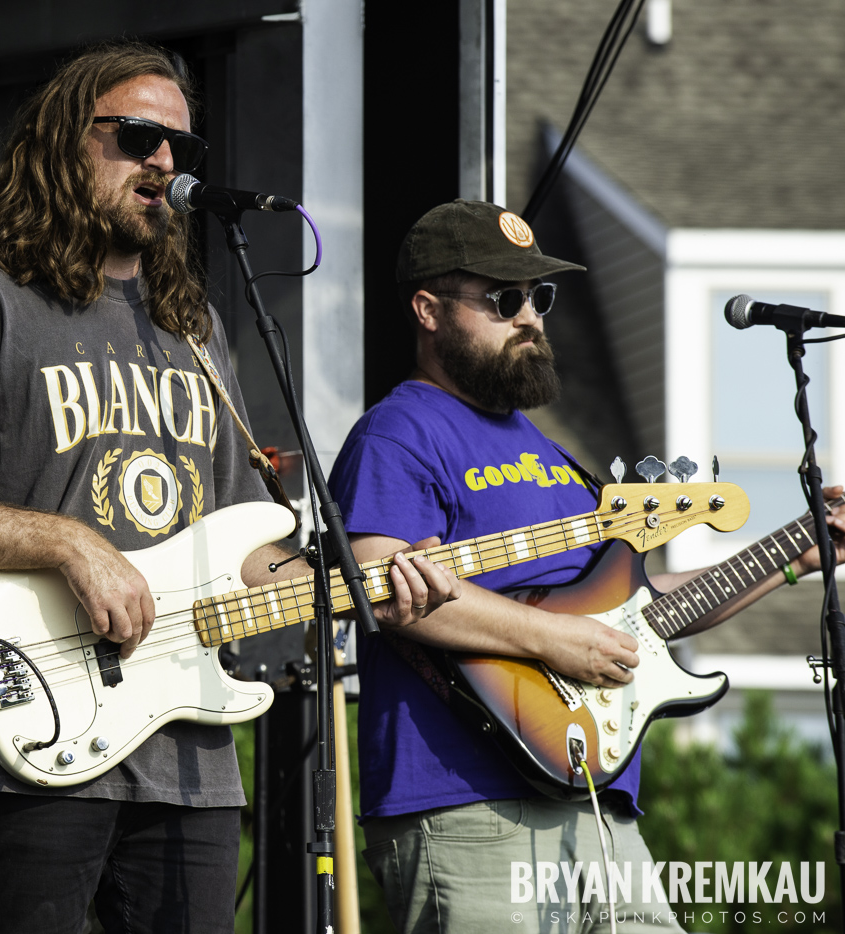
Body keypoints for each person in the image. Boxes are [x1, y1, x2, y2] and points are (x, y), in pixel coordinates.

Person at [0, 43, 457, 934]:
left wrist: (371, 582)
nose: (164, 161)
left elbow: (246, 552)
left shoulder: (195, 330)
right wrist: (70, 543)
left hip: (192, 763)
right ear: (64, 145)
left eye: (182, 147)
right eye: (137, 136)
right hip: (32, 749)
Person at [328, 199, 845, 933]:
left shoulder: (551, 453)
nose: (531, 317)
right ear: (428, 309)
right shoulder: (400, 429)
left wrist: (796, 548)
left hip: (602, 812)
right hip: (464, 801)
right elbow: (379, 585)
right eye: (504, 299)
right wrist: (553, 641)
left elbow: (630, 608)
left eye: (540, 297)